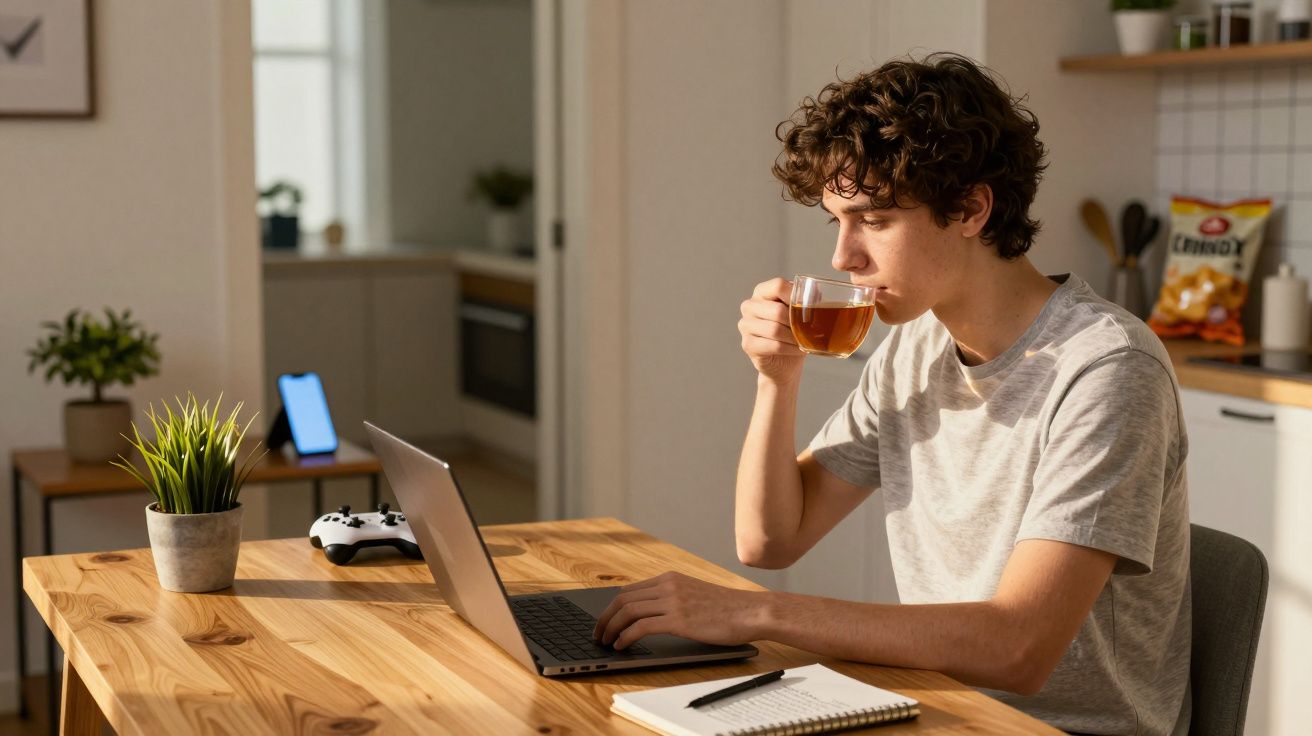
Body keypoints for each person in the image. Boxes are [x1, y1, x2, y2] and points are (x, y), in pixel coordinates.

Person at [592, 54, 1190, 736]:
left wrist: (753, 612)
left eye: (873, 220)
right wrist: (776, 379)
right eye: (836, 223)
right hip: (933, 705)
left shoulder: (1107, 368)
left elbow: (1019, 649)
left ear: (970, 208)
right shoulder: (915, 348)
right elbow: (768, 540)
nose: (844, 258)